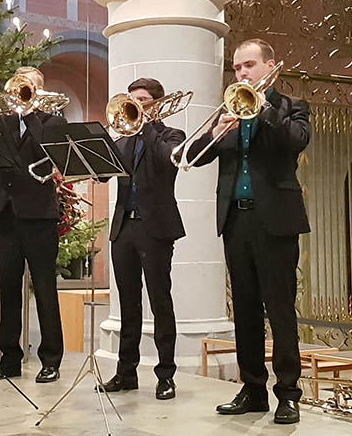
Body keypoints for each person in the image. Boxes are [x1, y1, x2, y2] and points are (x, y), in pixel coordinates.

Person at [187, 38, 310, 425]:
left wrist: (262, 108)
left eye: (249, 66)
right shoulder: (227, 110)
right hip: (236, 221)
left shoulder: (292, 107)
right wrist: (216, 132)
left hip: (275, 220)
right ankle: (253, 389)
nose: (241, 73)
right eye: (237, 68)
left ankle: (288, 394)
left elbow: (296, 142)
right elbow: (193, 157)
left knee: (280, 310)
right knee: (244, 310)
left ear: (270, 66)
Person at [97, 78, 184, 400]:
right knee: (128, 305)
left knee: (161, 302)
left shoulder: (170, 136)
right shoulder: (122, 142)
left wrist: (147, 124)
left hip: (156, 228)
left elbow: (167, 161)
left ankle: (165, 376)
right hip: (124, 229)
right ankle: (125, 372)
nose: (137, 105)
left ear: (156, 104)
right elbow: (102, 173)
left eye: (143, 100)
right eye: (133, 100)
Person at [0, 66, 66, 384]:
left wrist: (29, 111)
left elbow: (47, 150)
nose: (23, 92)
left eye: (30, 87)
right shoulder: (3, 122)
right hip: (5, 212)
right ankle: (9, 358)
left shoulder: (52, 122)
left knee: (44, 288)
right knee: (9, 289)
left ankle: (51, 359)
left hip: (38, 214)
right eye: (20, 86)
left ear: (41, 92)